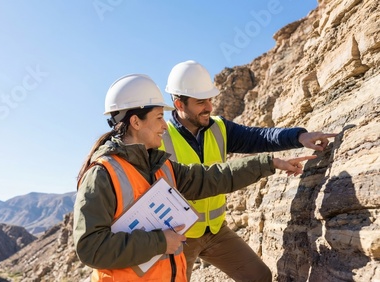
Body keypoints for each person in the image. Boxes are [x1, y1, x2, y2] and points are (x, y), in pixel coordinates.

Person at [73, 73, 316, 281]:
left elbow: (212, 177)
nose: (163, 125)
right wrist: (159, 242)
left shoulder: (161, 165)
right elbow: (90, 248)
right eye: (159, 118)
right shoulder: (101, 175)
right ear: (136, 121)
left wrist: (270, 162)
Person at [160, 60, 338, 281]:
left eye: (209, 99)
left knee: (259, 277)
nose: (209, 107)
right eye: (200, 102)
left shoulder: (219, 127)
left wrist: (300, 136)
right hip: (179, 236)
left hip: (215, 231)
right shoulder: (160, 138)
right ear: (179, 104)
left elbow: (259, 137)